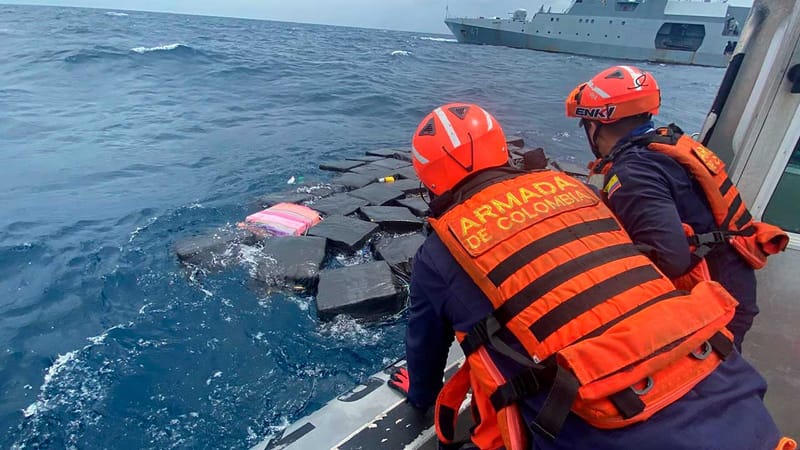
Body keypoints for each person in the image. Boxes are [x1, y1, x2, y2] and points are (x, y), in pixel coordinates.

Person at [387, 103, 791, 450]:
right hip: (736, 395)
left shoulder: (438, 252)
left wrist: (421, 396)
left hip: (610, 424)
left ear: (428, 180)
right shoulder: (573, 188)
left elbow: (425, 345)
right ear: (500, 150)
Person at [564, 65, 788, 351]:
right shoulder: (665, 146)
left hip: (711, 308)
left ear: (593, 126)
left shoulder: (634, 172)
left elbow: (670, 259)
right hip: (730, 286)